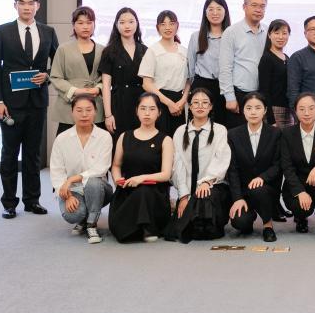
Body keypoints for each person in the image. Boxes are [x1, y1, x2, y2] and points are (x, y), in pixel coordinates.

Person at [0, 0, 60, 219]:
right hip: (10, 103)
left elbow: (58, 64)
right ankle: (9, 203)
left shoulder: (48, 32)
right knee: (9, 153)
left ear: (38, 6)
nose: (27, 7)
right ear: (15, 5)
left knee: (33, 154)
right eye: (22, 2)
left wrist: (47, 76)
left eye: (31, 3)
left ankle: (32, 200)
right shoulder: (2, 31)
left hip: (37, 102)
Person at [109, 92, 174, 243]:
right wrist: (118, 180)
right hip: (127, 189)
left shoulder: (165, 140)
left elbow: (166, 174)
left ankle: (148, 227)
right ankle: (135, 227)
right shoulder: (124, 136)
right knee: (119, 228)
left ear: (159, 112)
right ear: (136, 111)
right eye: (143, 108)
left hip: (154, 193)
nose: (147, 113)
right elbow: (116, 165)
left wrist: (142, 178)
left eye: (152, 109)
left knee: (144, 191)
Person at [168, 86, 231, 242]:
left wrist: (206, 182)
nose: (200, 106)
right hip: (188, 190)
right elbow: (177, 165)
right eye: (195, 102)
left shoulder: (220, 130)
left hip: (212, 187)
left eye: (204, 102)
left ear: (211, 107)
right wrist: (183, 196)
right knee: (175, 230)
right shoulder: (180, 132)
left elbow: (221, 159)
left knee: (205, 206)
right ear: (189, 106)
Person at [49, 94, 113, 244]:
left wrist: (73, 178)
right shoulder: (62, 139)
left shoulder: (104, 137)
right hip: (73, 189)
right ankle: (82, 219)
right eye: (79, 110)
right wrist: (67, 196)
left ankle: (91, 224)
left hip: (99, 189)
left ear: (95, 112)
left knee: (93, 181)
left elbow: (101, 168)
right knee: (73, 215)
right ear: (72, 112)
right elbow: (57, 171)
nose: (84, 114)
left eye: (88, 110)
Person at [279, 92, 315, 242]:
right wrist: (300, 191)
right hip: (296, 183)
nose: (306, 113)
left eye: (311, 108)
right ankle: (301, 217)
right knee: (300, 208)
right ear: (295, 111)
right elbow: (287, 167)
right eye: (302, 109)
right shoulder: (287, 133)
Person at [226, 92, 282, 242]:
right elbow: (232, 170)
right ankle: (249, 218)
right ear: (243, 110)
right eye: (249, 108)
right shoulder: (233, 134)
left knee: (259, 189)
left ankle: (267, 225)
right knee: (240, 222)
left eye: (258, 108)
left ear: (265, 110)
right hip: (244, 191)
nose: (253, 112)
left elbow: (278, 164)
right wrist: (237, 198)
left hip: (267, 188)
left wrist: (262, 178)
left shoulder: (276, 133)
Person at [49, 5, 104, 136]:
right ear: (73, 25)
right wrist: (76, 91)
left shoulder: (103, 50)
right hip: (69, 106)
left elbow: (107, 77)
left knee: (96, 143)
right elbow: (55, 77)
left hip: (95, 105)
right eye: (80, 23)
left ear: (94, 24)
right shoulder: (63, 49)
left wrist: (98, 88)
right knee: (66, 144)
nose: (85, 26)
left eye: (89, 22)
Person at [219, 0, 268, 123]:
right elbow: (225, 67)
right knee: (237, 134)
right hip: (239, 95)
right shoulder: (231, 32)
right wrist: (230, 97)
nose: (258, 10)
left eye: (262, 6)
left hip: (262, 95)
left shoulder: (268, 31)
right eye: (254, 5)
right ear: (244, 7)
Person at [99, 7, 147, 142]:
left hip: (141, 103)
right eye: (122, 22)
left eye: (131, 22)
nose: (127, 26)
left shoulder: (145, 50)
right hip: (118, 103)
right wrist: (108, 115)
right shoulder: (109, 51)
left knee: (141, 142)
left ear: (137, 24)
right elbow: (106, 85)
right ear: (116, 25)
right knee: (120, 142)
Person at [139, 10, 189, 138]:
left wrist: (183, 100)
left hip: (180, 103)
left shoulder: (184, 51)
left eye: (171, 23)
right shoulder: (153, 51)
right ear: (157, 28)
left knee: (179, 141)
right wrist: (169, 103)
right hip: (159, 101)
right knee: (160, 140)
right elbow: (146, 84)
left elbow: (189, 80)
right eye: (163, 24)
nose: (168, 27)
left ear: (177, 26)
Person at [187, 0, 232, 128]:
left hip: (226, 88)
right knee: (199, 127)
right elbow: (190, 68)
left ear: (225, 11)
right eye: (210, 9)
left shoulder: (232, 35)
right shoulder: (196, 36)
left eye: (219, 9)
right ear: (205, 13)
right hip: (202, 87)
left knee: (223, 128)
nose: (215, 13)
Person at [258, 19, 291, 126]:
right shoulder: (267, 58)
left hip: (288, 110)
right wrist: (271, 118)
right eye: (276, 33)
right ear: (269, 35)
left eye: (284, 33)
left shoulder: (287, 58)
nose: (281, 37)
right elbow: (264, 91)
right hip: (274, 110)